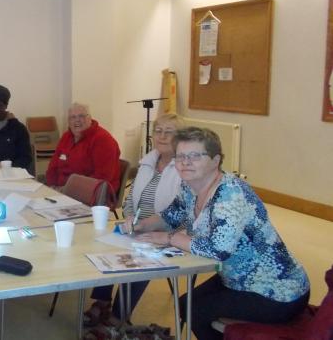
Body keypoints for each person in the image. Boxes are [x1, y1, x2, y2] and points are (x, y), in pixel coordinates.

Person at [130, 127, 310, 340]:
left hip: (278, 291)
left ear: (216, 161)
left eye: (195, 156)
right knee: (186, 303)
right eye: (180, 156)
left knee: (195, 310)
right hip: (238, 279)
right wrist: (140, 225)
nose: (185, 162)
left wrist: (171, 238)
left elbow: (218, 250)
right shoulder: (190, 187)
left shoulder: (231, 194)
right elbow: (171, 216)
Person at [86, 113, 182, 324]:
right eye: (158, 131)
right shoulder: (148, 162)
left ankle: (119, 316)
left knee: (139, 259)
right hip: (136, 226)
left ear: (180, 137)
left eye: (169, 132)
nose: (162, 136)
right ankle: (101, 302)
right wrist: (129, 215)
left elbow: (180, 213)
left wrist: (147, 227)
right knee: (104, 246)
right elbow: (130, 198)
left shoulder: (183, 168)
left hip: (165, 232)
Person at [45, 103, 121, 191]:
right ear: (68, 121)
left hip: (91, 193)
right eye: (72, 117)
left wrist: (67, 189)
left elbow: (102, 177)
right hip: (63, 190)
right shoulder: (66, 136)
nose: (77, 120)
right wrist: (51, 186)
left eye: (81, 116)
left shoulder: (103, 140)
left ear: (90, 118)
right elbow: (53, 166)